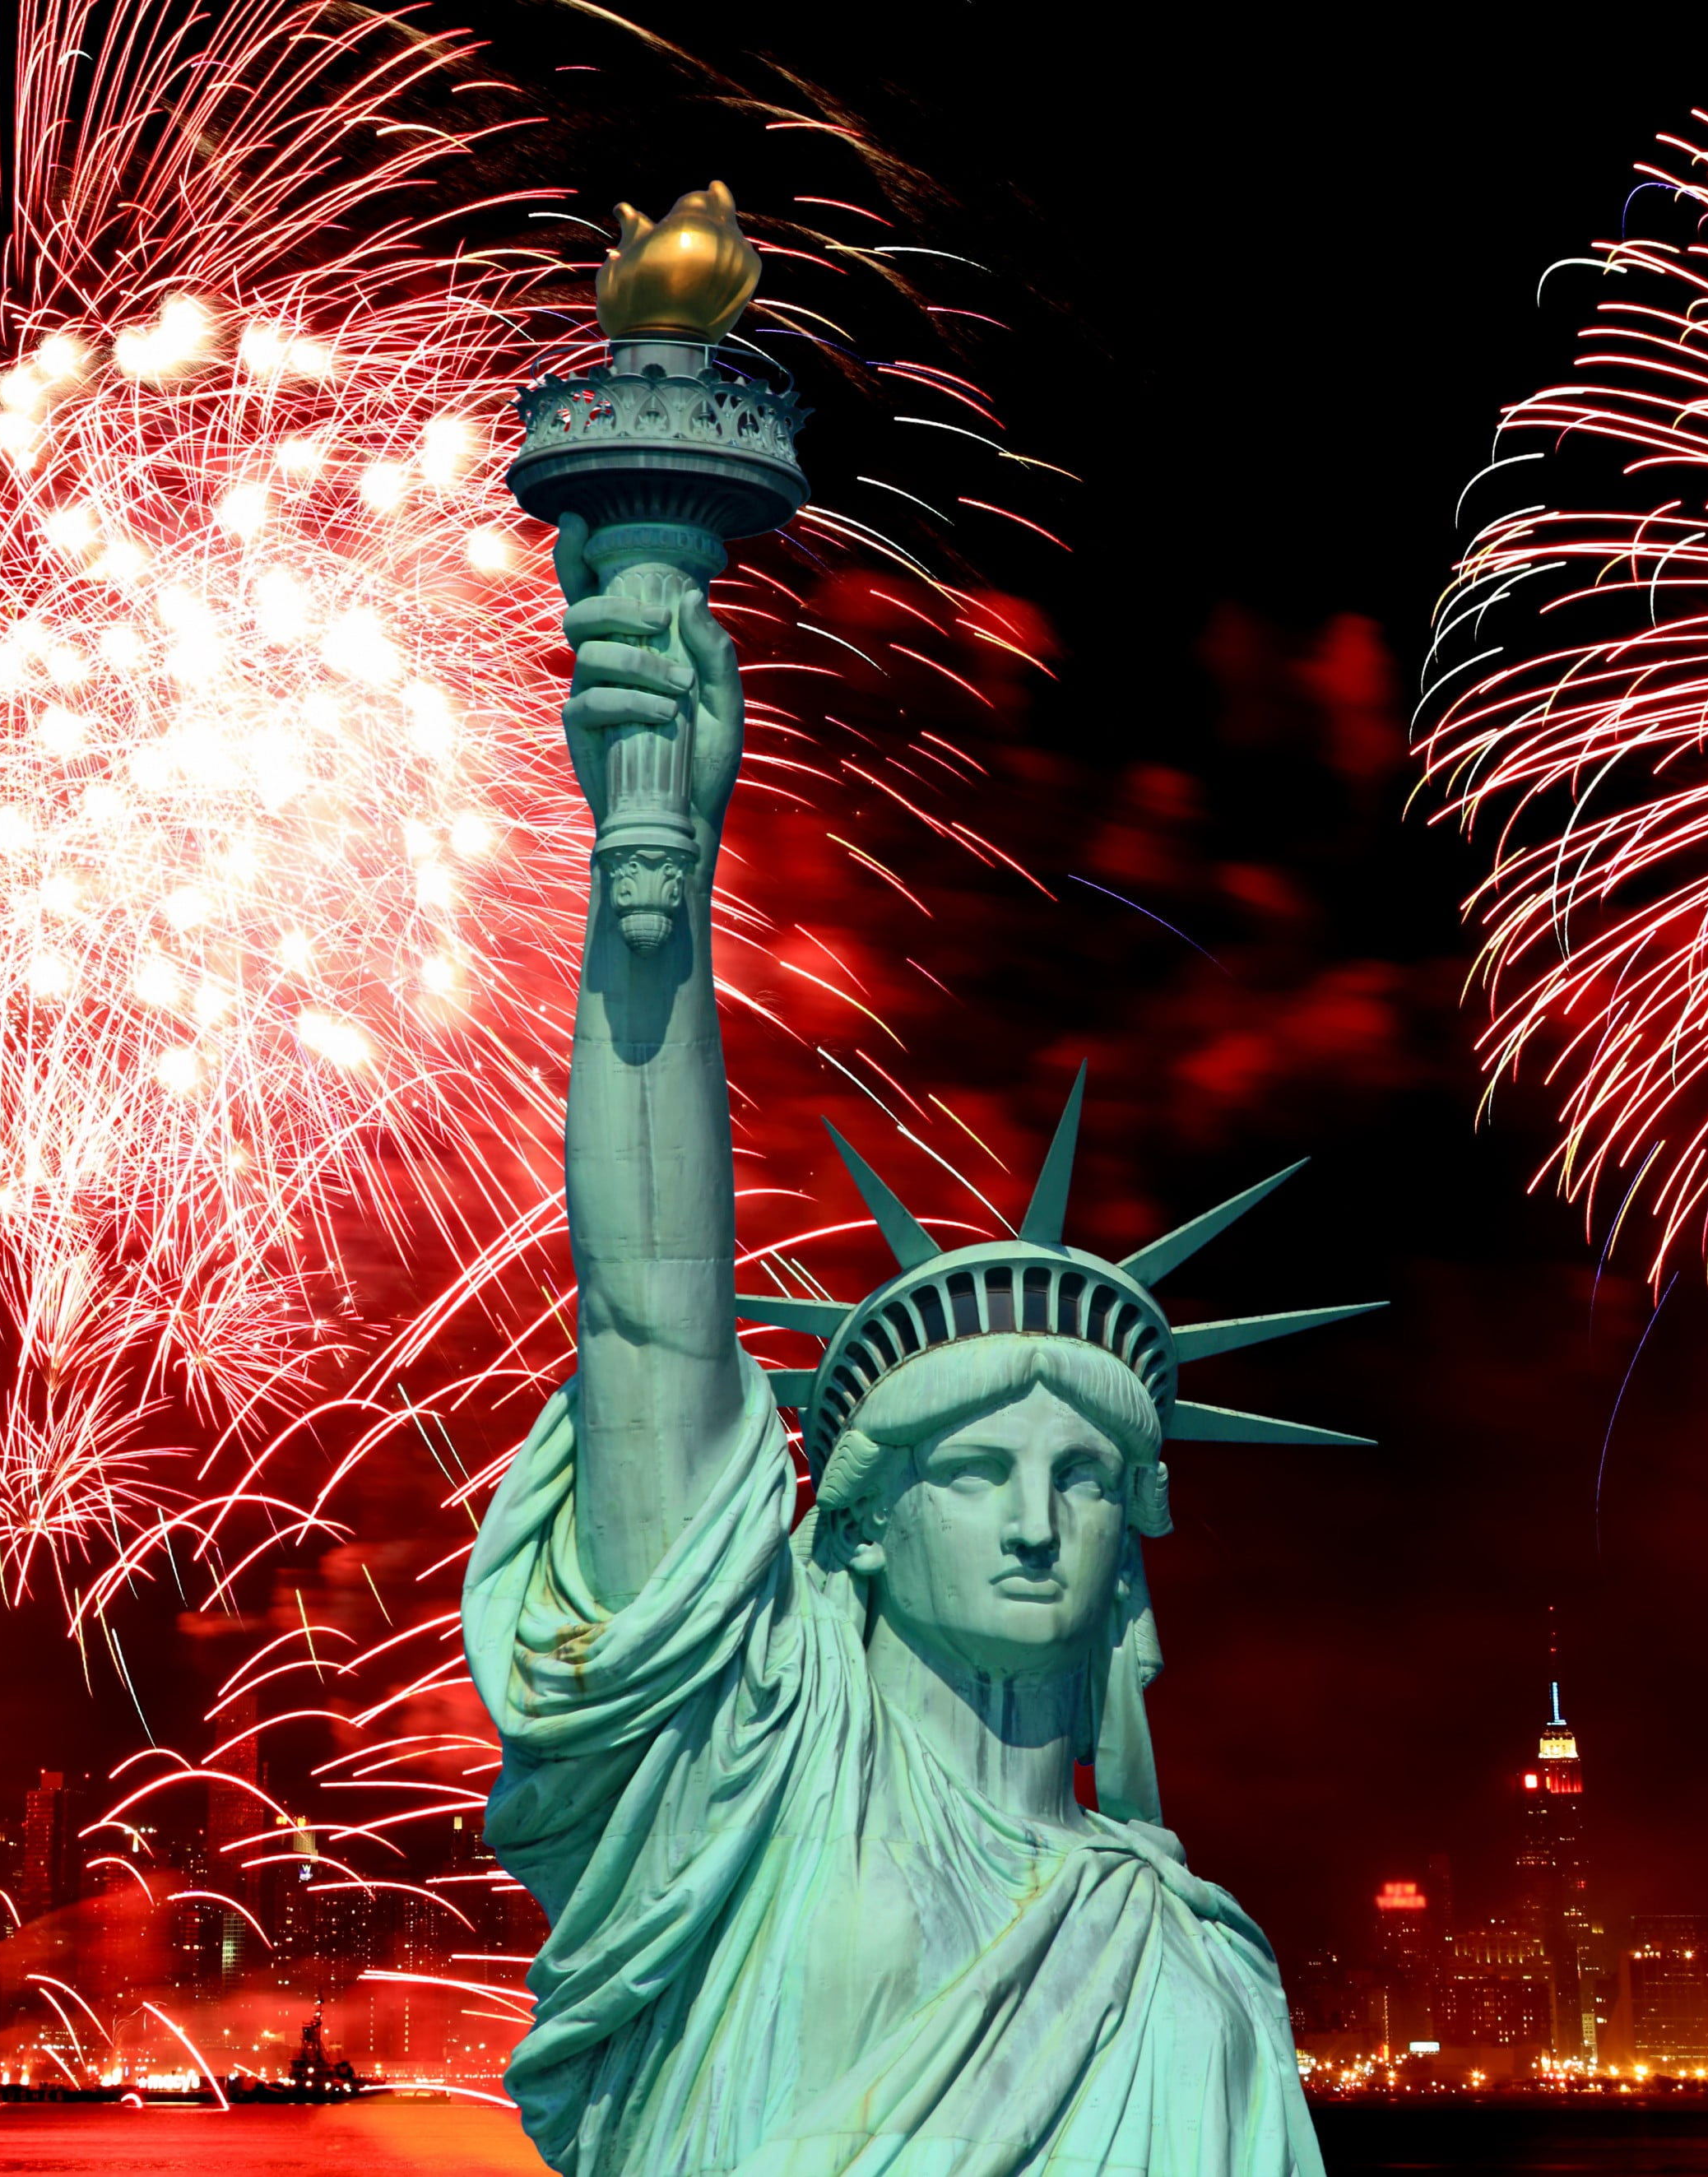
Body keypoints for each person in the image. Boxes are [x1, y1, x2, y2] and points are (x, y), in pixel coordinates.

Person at [461, 524, 1337, 2175]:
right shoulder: (754, 1763)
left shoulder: (1190, 1957)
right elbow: (651, 1305)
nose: (1033, 1518)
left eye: (1081, 1477)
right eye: (974, 1469)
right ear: (853, 1514)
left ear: (1132, 1540)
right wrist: (654, 873)